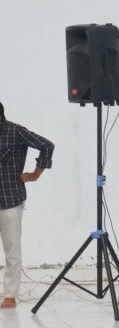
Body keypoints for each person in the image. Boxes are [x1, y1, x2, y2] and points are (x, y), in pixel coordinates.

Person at [0, 102, 54, 309]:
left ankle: (10, 296)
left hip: (10, 201)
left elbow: (47, 145)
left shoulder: (16, 132)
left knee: (12, 249)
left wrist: (35, 174)